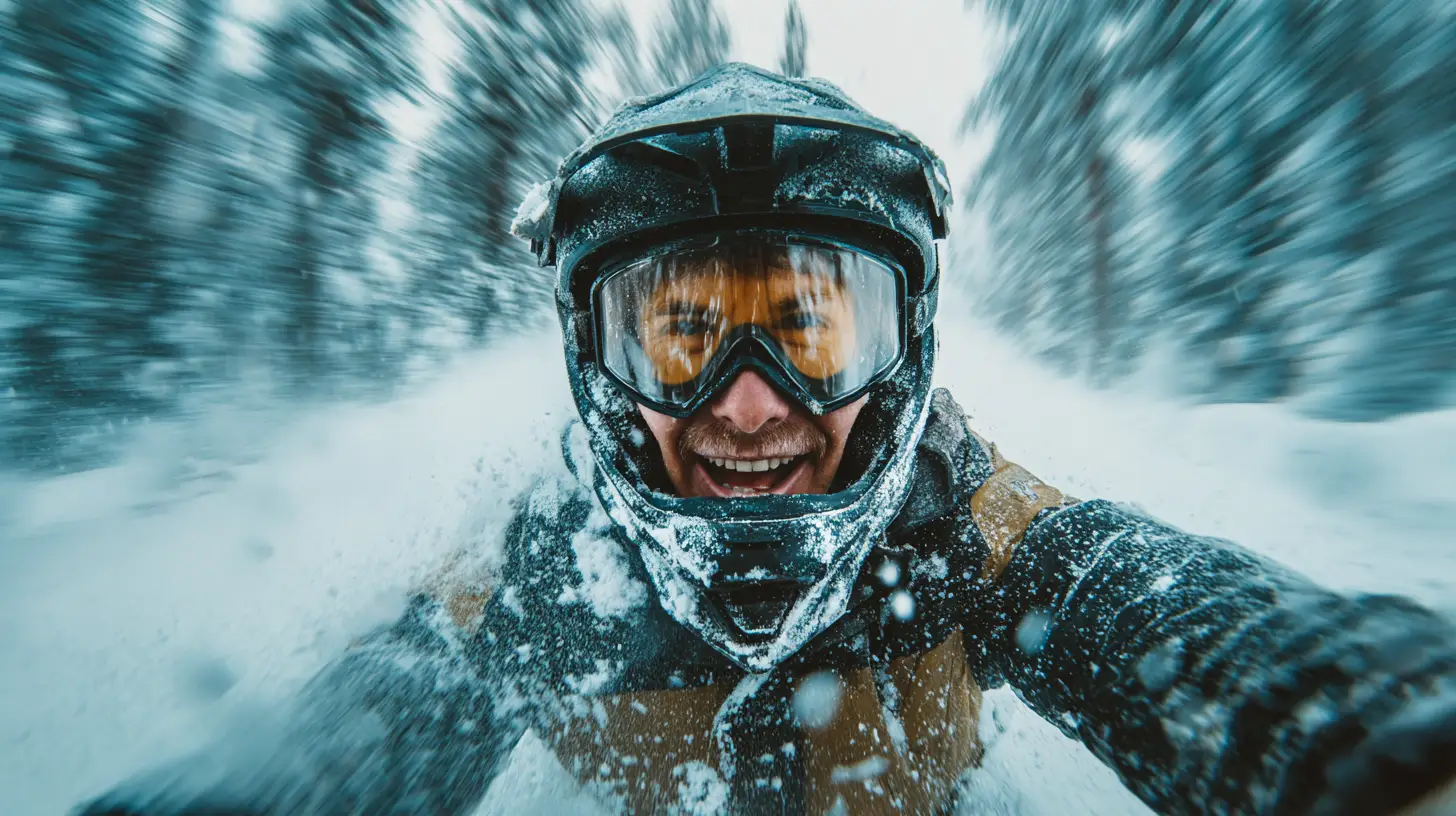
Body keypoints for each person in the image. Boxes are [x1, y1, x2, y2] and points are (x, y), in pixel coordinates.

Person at [82, 63, 1456, 816]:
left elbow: (1156, 613)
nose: (749, 403)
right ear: (595, 362)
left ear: (903, 346)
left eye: (808, 329)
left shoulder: (962, 519)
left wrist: (1360, 719)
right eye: (684, 334)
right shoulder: (550, 575)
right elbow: (377, 717)